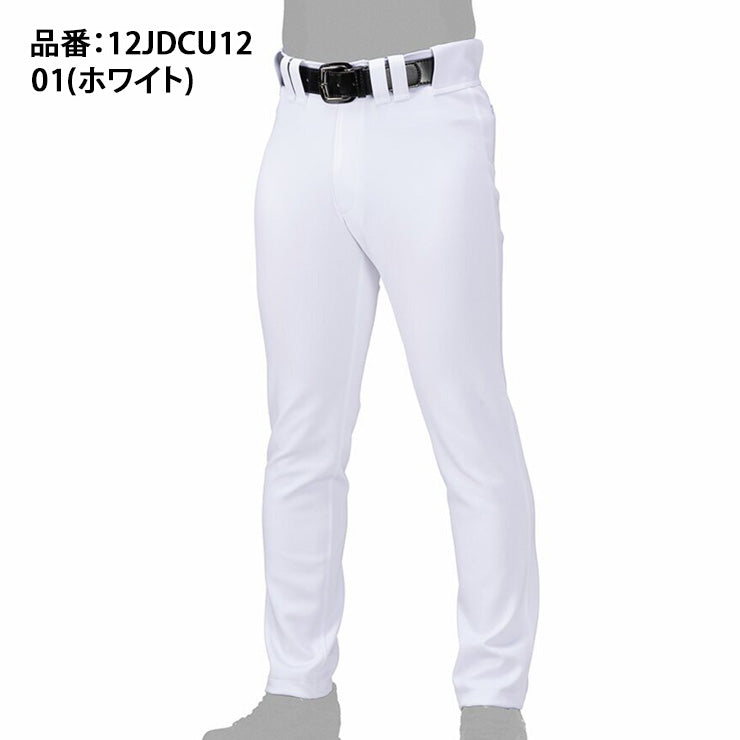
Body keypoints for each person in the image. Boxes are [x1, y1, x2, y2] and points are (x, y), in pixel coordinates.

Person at [203, 2, 539, 738]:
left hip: (427, 113)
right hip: (300, 116)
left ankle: (492, 705)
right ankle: (298, 696)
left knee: (468, 421)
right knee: (299, 436)